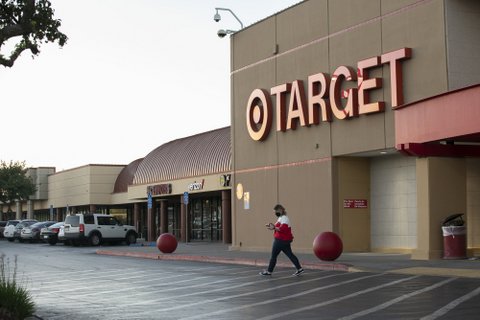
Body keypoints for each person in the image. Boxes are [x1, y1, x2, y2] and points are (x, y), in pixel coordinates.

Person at [260, 204, 304, 276]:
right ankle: (299, 269)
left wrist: (274, 228)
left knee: (273, 256)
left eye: (275, 211)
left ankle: (269, 271)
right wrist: (272, 227)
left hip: (280, 240)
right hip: (284, 240)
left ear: (279, 211)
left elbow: (282, 229)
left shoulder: (284, 218)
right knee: (290, 255)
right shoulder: (281, 218)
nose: (274, 213)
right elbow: (277, 227)